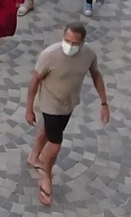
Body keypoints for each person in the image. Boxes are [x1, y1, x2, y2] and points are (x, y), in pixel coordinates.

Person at [24, 22, 110, 206]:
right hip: (51, 105)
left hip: (68, 104)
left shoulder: (89, 55)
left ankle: (34, 157)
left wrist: (104, 103)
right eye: (67, 40)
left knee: (48, 131)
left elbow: (96, 75)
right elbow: (35, 80)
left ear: (82, 42)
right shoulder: (49, 55)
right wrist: (29, 108)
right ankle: (46, 178)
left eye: (74, 43)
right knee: (55, 146)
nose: (69, 45)